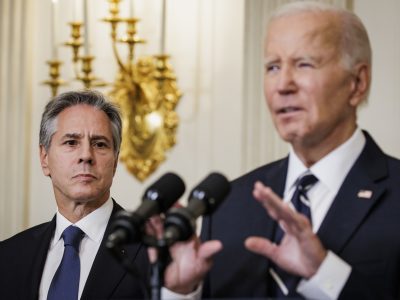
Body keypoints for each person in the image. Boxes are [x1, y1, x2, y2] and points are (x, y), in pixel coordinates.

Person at [188, 1, 400, 299]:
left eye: (304, 64)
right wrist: (179, 291)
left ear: (357, 83)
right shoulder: (228, 205)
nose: (283, 84)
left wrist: (325, 274)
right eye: (273, 67)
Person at [0, 90, 219, 300]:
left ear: (114, 162)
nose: (86, 155)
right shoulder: (9, 255)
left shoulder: (156, 251)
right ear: (44, 157)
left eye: (100, 144)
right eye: (71, 142)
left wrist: (177, 293)